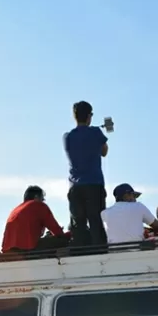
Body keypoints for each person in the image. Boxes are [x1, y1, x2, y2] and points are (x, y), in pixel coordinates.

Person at [63, 101, 109, 249]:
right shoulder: (96, 132)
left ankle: (79, 253)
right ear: (90, 116)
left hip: (75, 186)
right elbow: (104, 152)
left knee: (78, 224)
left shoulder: (67, 136)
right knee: (96, 221)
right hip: (94, 183)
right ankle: (100, 253)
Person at [2, 186, 71, 253]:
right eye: (43, 199)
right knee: (63, 241)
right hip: (28, 248)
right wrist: (69, 235)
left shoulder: (16, 210)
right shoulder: (38, 205)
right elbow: (56, 230)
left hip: (9, 251)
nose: (43, 201)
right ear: (36, 197)